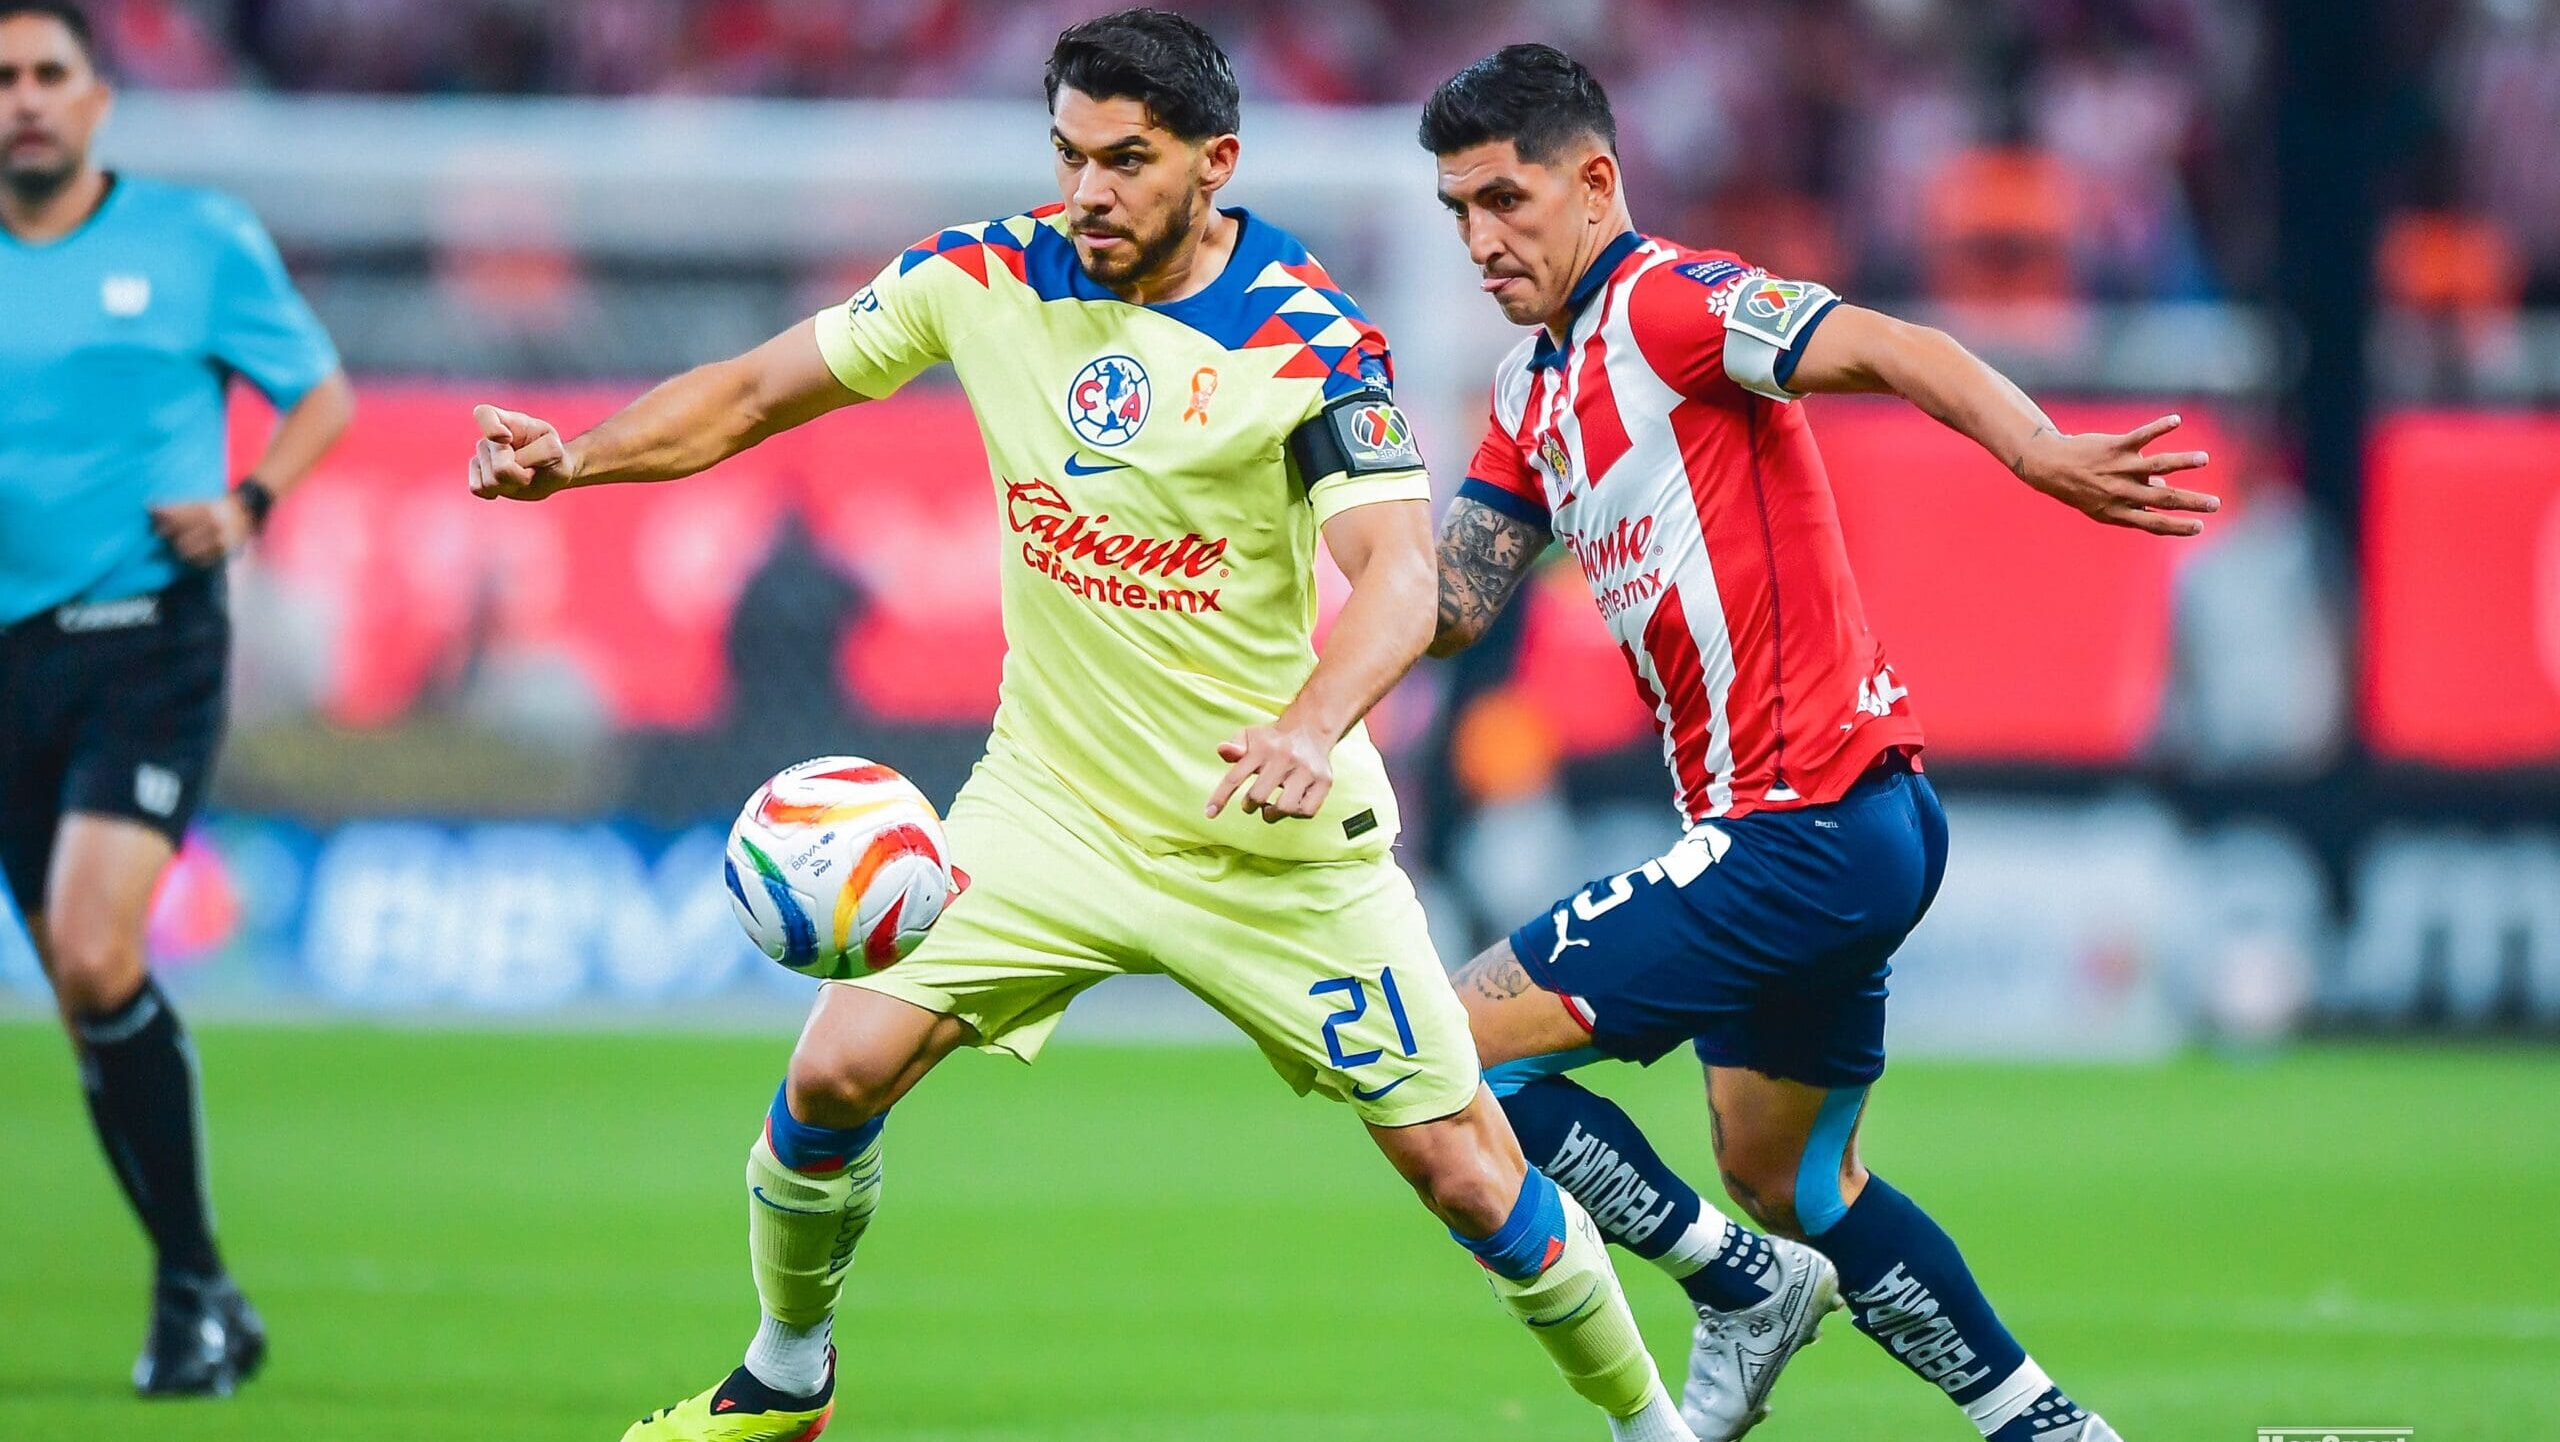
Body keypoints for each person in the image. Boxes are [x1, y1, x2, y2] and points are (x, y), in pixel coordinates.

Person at [469, 13, 1693, 1442]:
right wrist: (577, 460)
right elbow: (749, 393)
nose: (1086, 191)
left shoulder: (1305, 336)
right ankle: (786, 1378)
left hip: (1269, 837)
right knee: (830, 1075)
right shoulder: (982, 276)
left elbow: (1403, 577)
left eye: (1126, 161)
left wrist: (1311, 726)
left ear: (1213, 164)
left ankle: (1652, 1427)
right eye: (1069, 154)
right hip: (1049, 810)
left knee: (1467, 1172)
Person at [1419, 44, 2220, 1442]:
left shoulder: (1670, 302)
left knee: (1450, 1050)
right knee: (1788, 1177)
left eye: (1506, 199)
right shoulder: (1531, 391)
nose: (1482, 240)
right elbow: (1450, 607)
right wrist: (1297, 514)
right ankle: (2044, 1424)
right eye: (1459, 211)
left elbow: (1894, 343)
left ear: (1595, 182)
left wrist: (2039, 451)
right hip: (1838, 828)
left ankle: (1737, 1287)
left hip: (1805, 822)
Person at [0, 0, 353, 1399]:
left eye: (48, 73)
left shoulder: (194, 240)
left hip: (147, 638)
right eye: (1, 78)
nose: (24, 98)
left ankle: (189, 1285)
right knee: (85, 998)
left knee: (96, 958)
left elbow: (318, 394)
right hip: (8, 660)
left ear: (97, 98)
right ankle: (202, 1289)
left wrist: (248, 501)